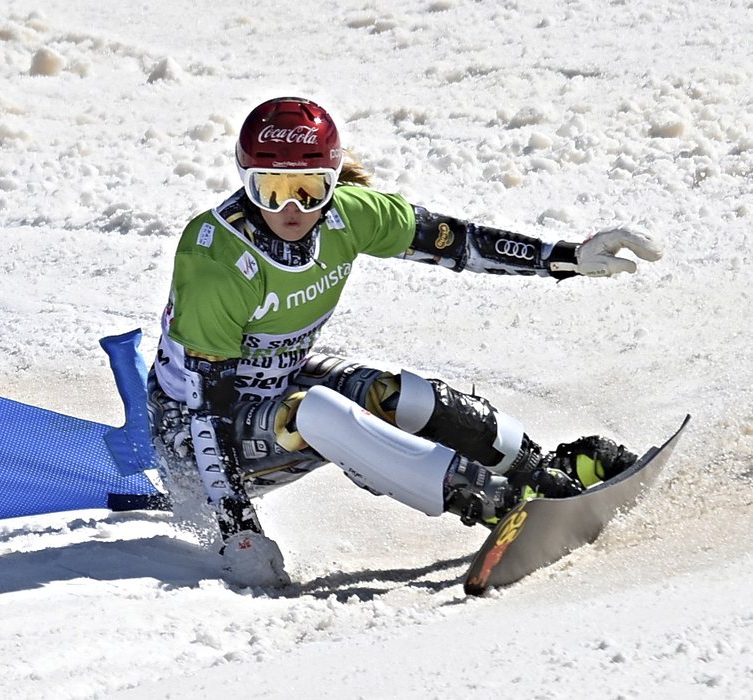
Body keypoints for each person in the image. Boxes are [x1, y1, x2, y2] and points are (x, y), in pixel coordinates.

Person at [147, 97, 662, 588]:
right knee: (316, 410)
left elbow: (457, 242)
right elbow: (204, 416)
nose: (290, 209)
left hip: (278, 385)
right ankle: (493, 502)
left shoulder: (350, 215)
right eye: (270, 189)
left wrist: (566, 256)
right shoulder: (217, 261)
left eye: (308, 188)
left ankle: (539, 472)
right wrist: (239, 530)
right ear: (244, 182)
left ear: (332, 182)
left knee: (396, 395)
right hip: (198, 442)